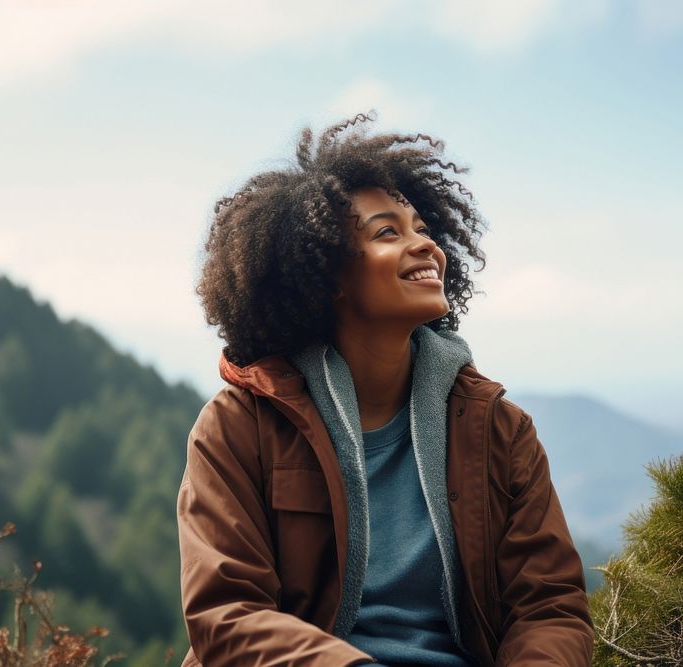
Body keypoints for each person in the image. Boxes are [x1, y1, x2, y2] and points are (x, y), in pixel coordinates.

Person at [176, 115, 594, 666]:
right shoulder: (240, 426)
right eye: (387, 232)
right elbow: (228, 613)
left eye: (423, 229)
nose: (424, 246)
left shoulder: (498, 429)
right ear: (328, 276)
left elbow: (550, 609)